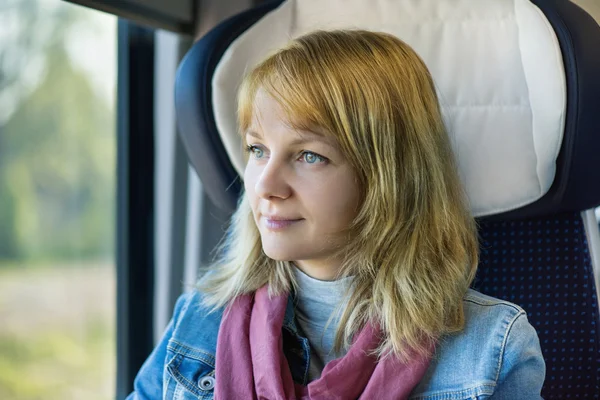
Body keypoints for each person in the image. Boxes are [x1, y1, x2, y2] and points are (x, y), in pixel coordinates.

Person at [127, 30, 545, 400]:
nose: (265, 185)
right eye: (258, 150)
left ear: (388, 177)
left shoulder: (491, 349)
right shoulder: (199, 319)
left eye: (309, 156)